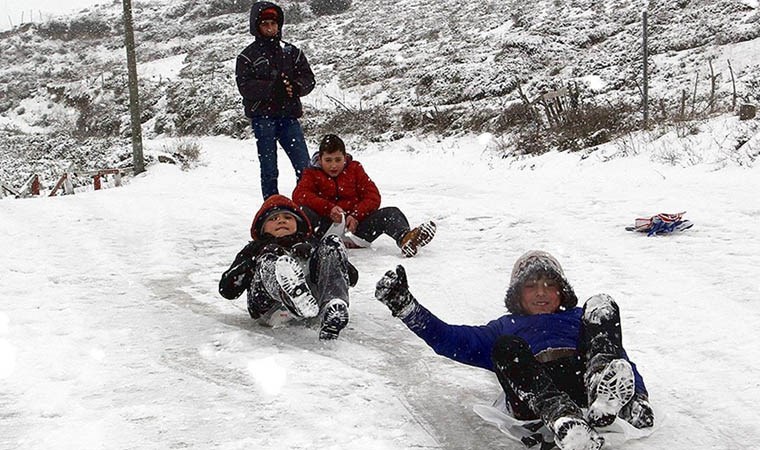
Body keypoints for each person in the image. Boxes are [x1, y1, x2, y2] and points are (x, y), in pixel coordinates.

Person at [374, 251, 654, 450]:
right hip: (534, 390)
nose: (541, 293)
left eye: (549, 285)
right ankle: (561, 416)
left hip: (580, 377)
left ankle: (605, 400)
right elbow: (449, 338)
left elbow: (621, 359)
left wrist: (638, 397)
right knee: (506, 347)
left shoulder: (578, 317)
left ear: (562, 292)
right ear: (517, 295)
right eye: (531, 286)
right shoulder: (505, 326)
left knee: (601, 305)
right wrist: (407, 308)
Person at [218, 194, 357, 340]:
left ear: (298, 224)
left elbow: (352, 277)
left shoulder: (310, 243)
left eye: (288, 217)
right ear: (262, 227)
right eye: (273, 219)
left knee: (332, 242)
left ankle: (332, 306)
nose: (281, 221)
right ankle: (291, 295)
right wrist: (256, 259)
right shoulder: (254, 248)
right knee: (269, 259)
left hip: (312, 307)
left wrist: (314, 254)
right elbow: (227, 290)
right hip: (269, 309)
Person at [292, 134, 436, 257]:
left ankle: (406, 239)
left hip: (357, 231)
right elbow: (299, 195)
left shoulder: (355, 169)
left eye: (338, 160)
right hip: (324, 230)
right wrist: (328, 209)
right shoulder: (311, 173)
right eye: (328, 160)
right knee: (302, 211)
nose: (333, 165)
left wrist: (356, 215)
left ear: (345, 157)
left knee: (391, 212)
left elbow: (373, 196)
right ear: (320, 159)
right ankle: (305, 246)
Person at [235, 2, 316, 199]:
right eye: (265, 24)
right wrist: (272, 88)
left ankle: (306, 207)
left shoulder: (292, 52)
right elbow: (244, 86)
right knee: (269, 170)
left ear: (279, 25)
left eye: (273, 23)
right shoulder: (247, 56)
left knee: (304, 168)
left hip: (289, 116)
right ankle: (272, 210)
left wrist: (296, 87)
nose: (270, 28)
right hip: (263, 118)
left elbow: (309, 79)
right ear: (257, 27)